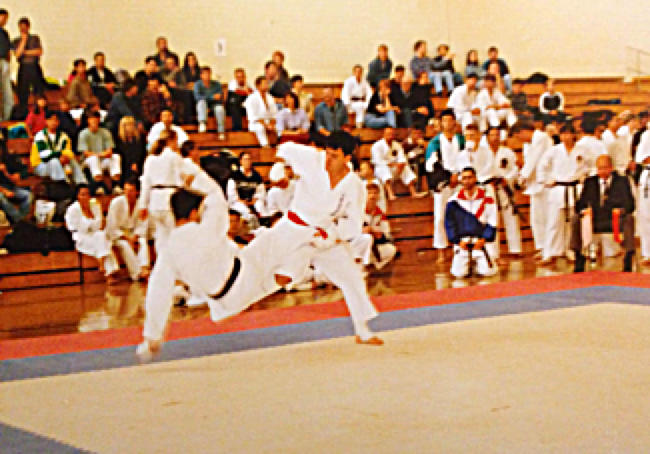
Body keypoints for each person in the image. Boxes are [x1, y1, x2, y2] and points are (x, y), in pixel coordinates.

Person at [570, 154, 635, 272]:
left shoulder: (622, 181)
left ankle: (628, 256)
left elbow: (630, 204)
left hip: (614, 219)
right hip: (594, 219)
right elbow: (579, 204)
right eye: (599, 168)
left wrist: (621, 210)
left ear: (611, 168)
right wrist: (585, 210)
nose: (602, 171)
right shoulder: (590, 182)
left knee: (629, 219)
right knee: (575, 219)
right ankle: (578, 255)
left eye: (605, 168)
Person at [538, 124, 592, 265]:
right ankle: (549, 253)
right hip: (558, 188)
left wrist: (585, 178)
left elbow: (591, 167)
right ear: (560, 136)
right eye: (563, 134)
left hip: (576, 188)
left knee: (574, 222)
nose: (566, 137)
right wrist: (546, 180)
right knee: (554, 222)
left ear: (574, 135)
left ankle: (572, 250)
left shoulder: (583, 150)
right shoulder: (554, 151)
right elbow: (542, 167)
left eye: (569, 134)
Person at [425, 109, 464, 261]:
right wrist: (448, 177)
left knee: (461, 216)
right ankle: (441, 250)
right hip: (442, 183)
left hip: (461, 181)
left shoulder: (461, 140)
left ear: (454, 122)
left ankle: (459, 249)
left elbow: (467, 158)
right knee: (440, 217)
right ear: (441, 123)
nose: (447, 123)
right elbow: (431, 164)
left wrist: (458, 176)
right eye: (445, 120)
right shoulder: (435, 143)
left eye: (450, 120)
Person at [444, 167, 498, 278]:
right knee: (458, 274)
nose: (467, 181)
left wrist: (484, 239)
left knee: (487, 272)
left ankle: (479, 264)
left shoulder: (487, 198)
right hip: (463, 243)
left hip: (481, 242)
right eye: (464, 178)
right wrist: (458, 241)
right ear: (461, 180)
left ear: (475, 178)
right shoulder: (453, 201)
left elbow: (492, 221)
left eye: (469, 177)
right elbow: (450, 224)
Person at [139, 129, 185, 253]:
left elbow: (146, 183)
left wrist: (143, 205)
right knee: (173, 235)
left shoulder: (150, 159)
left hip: (154, 201)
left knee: (160, 236)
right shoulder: (174, 157)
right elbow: (180, 180)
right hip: (170, 199)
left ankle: (161, 262)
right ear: (171, 141)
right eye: (176, 141)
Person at [65, 184, 119, 284]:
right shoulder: (72, 209)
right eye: (83, 194)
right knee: (102, 240)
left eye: (87, 194)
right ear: (78, 196)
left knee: (101, 236)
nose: (86, 197)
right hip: (81, 236)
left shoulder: (94, 205)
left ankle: (104, 266)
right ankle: (108, 270)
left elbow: (99, 225)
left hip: (95, 234)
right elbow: (74, 227)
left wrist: (93, 215)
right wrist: (90, 223)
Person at [484, 126, 522, 259]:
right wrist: (488, 181)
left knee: (511, 217)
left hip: (505, 186)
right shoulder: (482, 152)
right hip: (489, 187)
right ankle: (493, 252)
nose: (495, 138)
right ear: (487, 137)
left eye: (497, 135)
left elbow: (515, 169)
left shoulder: (507, 152)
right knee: (492, 219)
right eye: (492, 135)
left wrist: (507, 179)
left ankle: (515, 249)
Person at [516, 120, 553, 257]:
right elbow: (529, 162)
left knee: (547, 217)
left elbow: (533, 160)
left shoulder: (541, 138)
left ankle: (549, 248)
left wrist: (522, 177)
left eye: (518, 136)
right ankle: (542, 247)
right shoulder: (528, 143)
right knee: (537, 218)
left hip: (546, 183)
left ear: (523, 131)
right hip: (535, 184)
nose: (519, 139)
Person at [106, 177, 150, 281]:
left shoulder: (141, 205)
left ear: (137, 192)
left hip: (133, 233)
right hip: (118, 234)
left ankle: (144, 267)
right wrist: (126, 238)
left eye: (131, 191)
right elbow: (111, 226)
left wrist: (135, 236)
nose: (127, 193)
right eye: (125, 190)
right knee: (124, 245)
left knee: (142, 241)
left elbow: (143, 224)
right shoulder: (116, 202)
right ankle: (136, 273)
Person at [31, 110, 86, 185]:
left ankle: (81, 184)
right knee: (54, 161)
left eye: (55, 120)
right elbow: (44, 155)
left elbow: (69, 152)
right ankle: (63, 184)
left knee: (72, 160)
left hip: (60, 163)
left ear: (58, 122)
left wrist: (63, 157)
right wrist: (60, 155)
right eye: (51, 120)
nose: (53, 122)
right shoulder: (40, 135)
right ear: (46, 121)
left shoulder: (64, 136)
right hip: (40, 166)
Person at [371, 127, 425, 200]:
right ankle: (390, 194)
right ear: (384, 135)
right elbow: (377, 161)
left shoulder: (396, 145)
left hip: (394, 169)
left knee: (405, 167)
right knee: (384, 168)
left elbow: (402, 157)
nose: (390, 136)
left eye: (392, 134)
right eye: (388, 134)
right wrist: (391, 164)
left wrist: (401, 164)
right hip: (380, 170)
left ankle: (413, 192)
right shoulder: (377, 145)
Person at [78, 111, 121, 194]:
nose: (94, 122)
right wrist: (100, 154)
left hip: (103, 159)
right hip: (87, 161)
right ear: (88, 120)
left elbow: (109, 151)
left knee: (116, 157)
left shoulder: (105, 132)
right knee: (93, 159)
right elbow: (86, 153)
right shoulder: (83, 134)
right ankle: (98, 186)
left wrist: (100, 155)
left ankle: (115, 185)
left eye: (96, 120)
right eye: (92, 120)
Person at [361, 182, 397, 269]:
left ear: (378, 196)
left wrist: (378, 234)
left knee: (391, 249)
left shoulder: (380, 214)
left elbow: (386, 233)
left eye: (375, 193)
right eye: (369, 193)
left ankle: (373, 266)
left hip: (374, 246)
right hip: (359, 246)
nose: (372, 196)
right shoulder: (358, 212)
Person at [11, 17, 45, 107]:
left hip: (34, 66)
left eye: (24, 27)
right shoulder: (16, 41)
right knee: (22, 92)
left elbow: (39, 51)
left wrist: (25, 52)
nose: (22, 29)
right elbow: (17, 54)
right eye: (21, 27)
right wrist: (23, 40)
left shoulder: (35, 38)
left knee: (38, 90)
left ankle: (39, 109)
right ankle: (23, 110)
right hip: (23, 67)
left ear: (28, 27)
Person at [226, 151, 266, 227]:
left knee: (260, 207)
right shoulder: (234, 175)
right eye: (245, 159)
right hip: (237, 201)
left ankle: (263, 226)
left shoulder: (256, 175)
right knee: (246, 212)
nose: (247, 161)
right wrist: (241, 201)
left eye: (249, 159)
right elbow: (231, 194)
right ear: (241, 161)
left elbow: (261, 191)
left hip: (252, 201)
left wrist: (254, 199)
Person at [0, 137, 32, 224]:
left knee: (28, 195)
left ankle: (22, 218)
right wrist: (4, 191)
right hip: (2, 191)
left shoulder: (9, 158)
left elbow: (24, 170)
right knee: (1, 197)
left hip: (11, 187)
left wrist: (19, 175)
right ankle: (20, 221)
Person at [244, 76, 277, 147]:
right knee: (260, 128)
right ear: (258, 86)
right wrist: (266, 125)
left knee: (279, 126)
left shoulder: (270, 97)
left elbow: (274, 114)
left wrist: (272, 124)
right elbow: (253, 117)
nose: (267, 85)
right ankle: (265, 146)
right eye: (264, 84)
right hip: (255, 124)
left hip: (268, 122)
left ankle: (278, 145)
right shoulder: (251, 98)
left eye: (267, 84)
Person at [194, 66, 225, 137]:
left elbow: (219, 97)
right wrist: (212, 97)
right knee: (201, 102)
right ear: (201, 75)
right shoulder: (197, 84)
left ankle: (221, 131)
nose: (207, 76)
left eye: (208, 73)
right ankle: (202, 123)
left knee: (220, 109)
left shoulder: (217, 84)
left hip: (215, 104)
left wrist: (208, 97)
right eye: (205, 74)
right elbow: (197, 97)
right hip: (203, 105)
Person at [116, 116, 146, 181]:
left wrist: (135, 162)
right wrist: (132, 163)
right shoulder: (119, 140)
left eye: (132, 124)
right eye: (128, 125)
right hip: (125, 163)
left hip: (139, 162)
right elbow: (123, 153)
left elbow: (141, 151)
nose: (131, 126)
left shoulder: (139, 138)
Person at [0, 9, 14, 121]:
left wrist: (8, 64)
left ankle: (6, 119)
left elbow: (9, 50)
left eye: (6, 18)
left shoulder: (5, 33)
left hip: (4, 62)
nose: (4, 20)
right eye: (2, 17)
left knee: (7, 93)